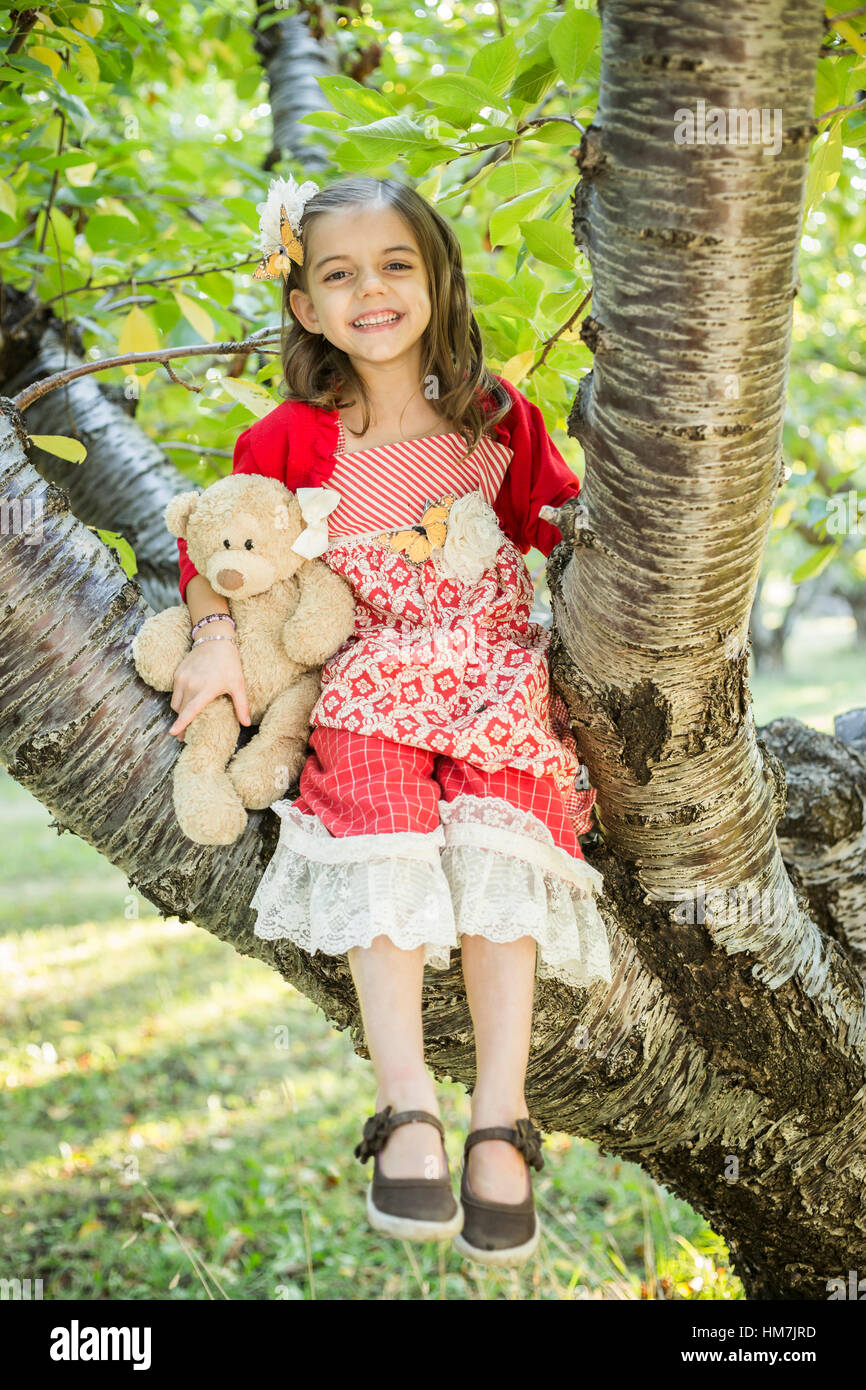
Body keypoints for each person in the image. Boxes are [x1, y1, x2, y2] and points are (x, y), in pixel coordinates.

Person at [169, 173, 613, 1268]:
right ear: (306, 305)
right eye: (337, 273)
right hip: (367, 674)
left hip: (494, 673)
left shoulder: (497, 416)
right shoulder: (285, 436)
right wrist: (218, 639)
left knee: (506, 829)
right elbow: (220, 549)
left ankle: (498, 1118)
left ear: (437, 278)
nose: (370, 290)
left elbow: (564, 528)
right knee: (373, 820)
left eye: (394, 265)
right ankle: (405, 1103)